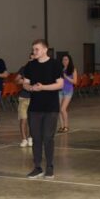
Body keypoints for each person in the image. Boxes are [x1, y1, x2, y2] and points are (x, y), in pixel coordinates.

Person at [23, 40, 64, 179]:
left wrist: (43, 87)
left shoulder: (55, 64)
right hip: (34, 108)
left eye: (37, 49)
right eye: (33, 49)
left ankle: (50, 166)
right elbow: (25, 83)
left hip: (51, 108)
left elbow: (60, 84)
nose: (34, 52)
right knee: (36, 138)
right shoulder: (30, 65)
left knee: (48, 137)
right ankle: (37, 167)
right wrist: (30, 88)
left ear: (45, 49)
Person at [16, 53, 34, 147]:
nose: (31, 60)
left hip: (34, 98)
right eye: (30, 59)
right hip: (23, 97)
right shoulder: (24, 68)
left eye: (33, 59)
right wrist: (22, 81)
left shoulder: (39, 70)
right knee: (23, 119)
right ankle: (24, 139)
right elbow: (16, 80)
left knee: (32, 120)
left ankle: (31, 137)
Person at [58, 54, 78, 134]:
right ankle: (62, 126)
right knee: (59, 109)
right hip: (60, 90)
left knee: (63, 109)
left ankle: (66, 126)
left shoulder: (73, 69)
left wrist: (66, 77)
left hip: (68, 91)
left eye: (66, 59)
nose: (64, 61)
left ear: (69, 60)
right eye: (63, 60)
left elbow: (75, 82)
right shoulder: (60, 69)